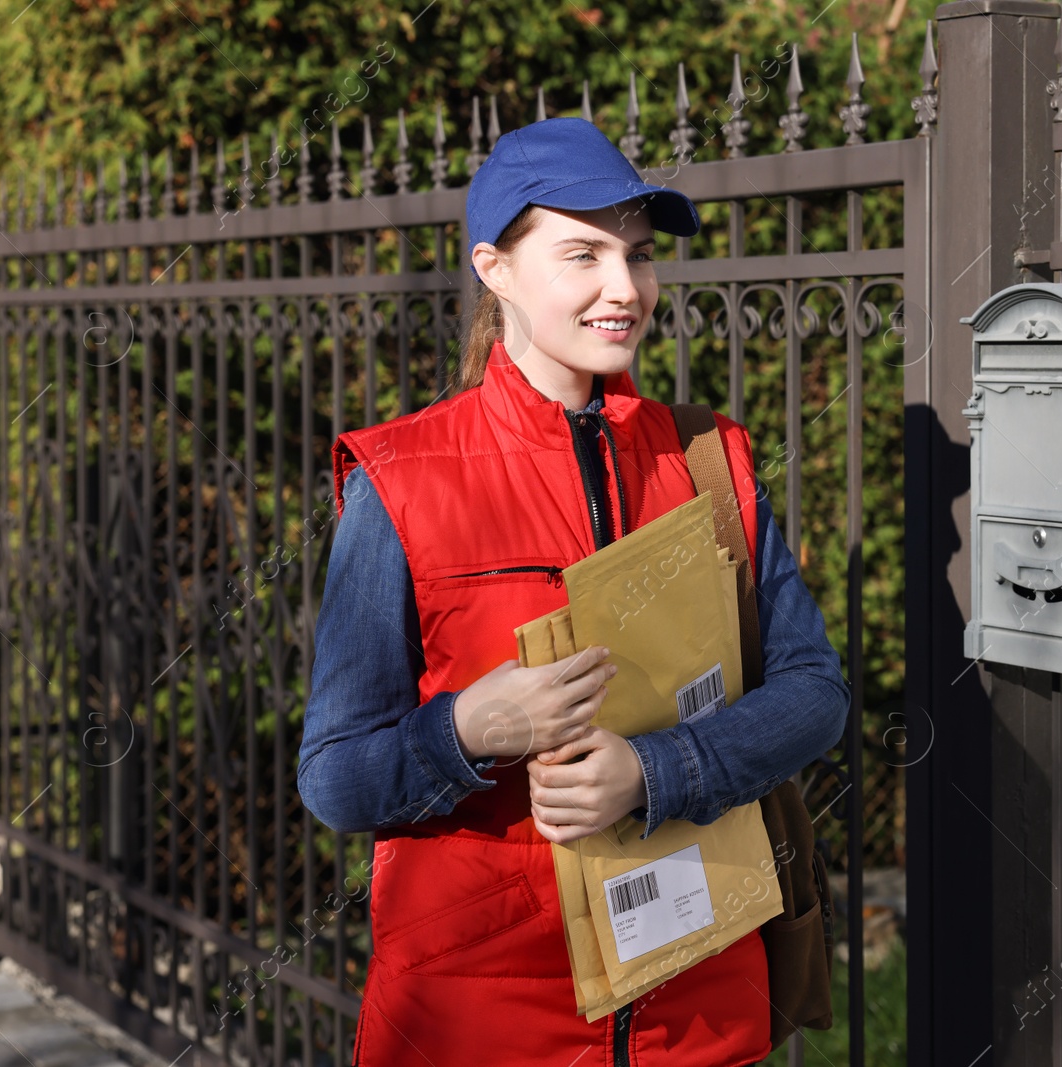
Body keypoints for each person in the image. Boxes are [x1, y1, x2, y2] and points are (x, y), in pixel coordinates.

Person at [297, 116, 849, 1067]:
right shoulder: (402, 480)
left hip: (699, 1012)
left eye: (637, 255)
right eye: (583, 253)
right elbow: (335, 775)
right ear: (495, 268)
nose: (624, 289)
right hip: (477, 1026)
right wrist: (466, 729)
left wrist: (654, 773)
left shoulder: (707, 460)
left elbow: (814, 693)